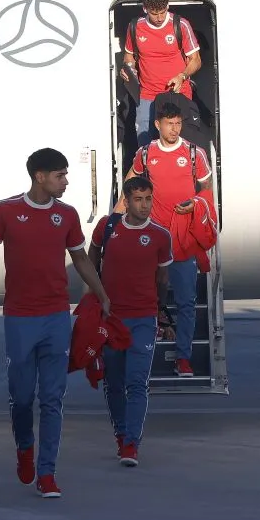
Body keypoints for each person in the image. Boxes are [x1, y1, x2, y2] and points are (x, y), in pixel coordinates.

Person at [0, 148, 112, 499]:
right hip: (19, 317)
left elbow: (80, 259)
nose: (65, 181)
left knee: (52, 398)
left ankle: (47, 473)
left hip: (56, 317)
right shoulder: (6, 210)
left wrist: (102, 295)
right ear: (40, 177)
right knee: (21, 397)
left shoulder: (67, 215)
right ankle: (24, 447)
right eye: (60, 175)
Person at [88, 176, 172, 467]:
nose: (145, 205)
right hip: (112, 319)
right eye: (138, 199)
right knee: (114, 382)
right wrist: (94, 290)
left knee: (138, 383)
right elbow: (92, 253)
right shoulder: (108, 227)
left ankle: (131, 444)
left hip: (144, 318)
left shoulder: (161, 236)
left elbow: (163, 279)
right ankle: (120, 433)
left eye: (148, 199)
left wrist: (160, 310)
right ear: (126, 200)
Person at [124, 103, 211, 377]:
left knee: (186, 303)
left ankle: (183, 358)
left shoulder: (195, 154)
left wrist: (197, 204)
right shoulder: (146, 153)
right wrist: (117, 218)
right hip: (152, 239)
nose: (175, 129)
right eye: (169, 123)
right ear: (158, 125)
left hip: (183, 241)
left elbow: (207, 188)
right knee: (145, 301)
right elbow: (131, 182)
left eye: (178, 123)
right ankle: (143, 355)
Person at [122, 0, 202, 147]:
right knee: (145, 141)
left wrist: (182, 76)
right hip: (147, 94)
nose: (159, 18)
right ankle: (145, 171)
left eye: (162, 12)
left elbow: (196, 60)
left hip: (177, 93)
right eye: (154, 13)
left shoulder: (180, 25)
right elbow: (129, 56)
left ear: (167, 7)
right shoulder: (135, 27)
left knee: (178, 141)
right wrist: (128, 69)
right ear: (145, 9)